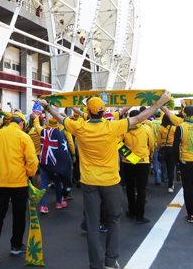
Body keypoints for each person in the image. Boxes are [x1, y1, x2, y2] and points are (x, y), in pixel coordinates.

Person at [41, 91, 171, 269]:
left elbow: (60, 117)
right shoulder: (113, 126)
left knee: (93, 225)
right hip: (110, 181)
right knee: (114, 219)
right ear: (103, 112)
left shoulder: (80, 127)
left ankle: (95, 264)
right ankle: (110, 262)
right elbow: (140, 118)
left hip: (89, 182)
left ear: (88, 111)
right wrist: (161, 102)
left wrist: (46, 106)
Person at [0, 113, 37, 264]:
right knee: (19, 214)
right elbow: (32, 160)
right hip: (18, 182)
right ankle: (16, 245)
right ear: (21, 124)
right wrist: (28, 173)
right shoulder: (23, 136)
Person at [121, 110, 154, 224]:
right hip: (143, 162)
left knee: (130, 187)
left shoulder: (124, 130)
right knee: (141, 189)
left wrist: (128, 157)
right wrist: (150, 156)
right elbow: (152, 145)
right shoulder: (146, 129)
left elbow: (119, 145)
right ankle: (140, 216)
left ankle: (131, 211)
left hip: (128, 162)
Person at [158, 114, 176, 193]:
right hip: (172, 148)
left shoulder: (161, 128)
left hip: (163, 148)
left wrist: (159, 148)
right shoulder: (174, 128)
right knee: (171, 168)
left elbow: (159, 140)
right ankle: (170, 185)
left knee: (163, 164)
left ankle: (163, 177)